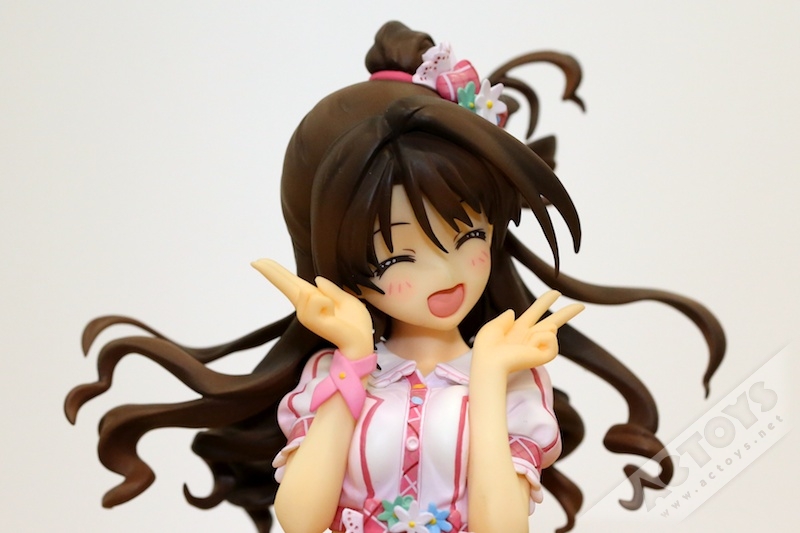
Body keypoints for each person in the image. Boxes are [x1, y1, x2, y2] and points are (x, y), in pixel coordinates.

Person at [65, 21, 725, 533]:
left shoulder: (513, 382)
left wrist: (490, 377)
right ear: (348, 265)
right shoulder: (333, 376)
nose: (445, 273)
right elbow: (300, 518)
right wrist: (352, 360)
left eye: (467, 237)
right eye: (396, 257)